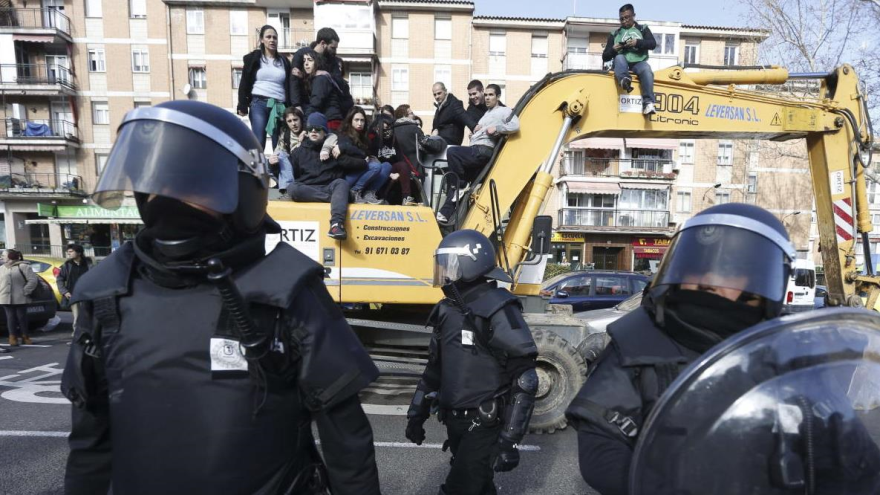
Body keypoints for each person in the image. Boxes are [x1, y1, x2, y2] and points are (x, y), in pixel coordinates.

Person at [60, 100, 381, 495]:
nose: (167, 199)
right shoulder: (105, 292)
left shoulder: (287, 288)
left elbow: (347, 441)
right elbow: (90, 442)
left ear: (243, 191)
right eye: (157, 184)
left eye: (190, 187)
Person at [565, 203, 797, 495]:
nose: (711, 282)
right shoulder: (639, 340)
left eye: (729, 272)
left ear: (759, 276)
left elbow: (838, 440)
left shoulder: (790, 349)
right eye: (702, 270)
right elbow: (601, 447)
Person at [405, 229, 538, 495]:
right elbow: (434, 370)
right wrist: (415, 416)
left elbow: (525, 379)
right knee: (480, 488)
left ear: (470, 264)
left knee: (460, 488)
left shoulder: (498, 307)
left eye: (449, 264)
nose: (443, 272)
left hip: (484, 422)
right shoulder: (447, 309)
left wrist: (509, 440)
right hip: (455, 420)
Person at [437, 84, 519, 224]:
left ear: (498, 96)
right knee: (456, 181)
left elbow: (515, 126)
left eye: (490, 95)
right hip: (476, 150)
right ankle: (444, 214)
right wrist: (475, 135)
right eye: (486, 95)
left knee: (452, 152)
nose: (487, 98)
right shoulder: (486, 114)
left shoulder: (504, 111)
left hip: (483, 151)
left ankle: (461, 186)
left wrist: (497, 128)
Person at [289, 112, 365, 240]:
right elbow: (294, 173)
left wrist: (343, 148)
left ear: (325, 132)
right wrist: (272, 164)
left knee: (341, 183)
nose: (313, 131)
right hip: (308, 188)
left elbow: (362, 159)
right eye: (310, 128)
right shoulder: (298, 151)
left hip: (329, 186)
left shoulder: (334, 149)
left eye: (318, 129)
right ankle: (338, 199)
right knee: (292, 187)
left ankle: (336, 225)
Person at [237, 25, 292, 151]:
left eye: (275, 37)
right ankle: (256, 171)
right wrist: (242, 104)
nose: (272, 40)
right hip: (259, 103)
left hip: (279, 106)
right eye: (268, 37)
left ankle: (278, 170)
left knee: (279, 144)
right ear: (262, 40)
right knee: (258, 142)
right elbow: (244, 82)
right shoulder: (254, 58)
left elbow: (289, 84)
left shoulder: (284, 61)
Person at [602, 4, 657, 115]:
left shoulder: (643, 29)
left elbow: (653, 44)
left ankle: (648, 103)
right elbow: (605, 56)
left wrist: (637, 42)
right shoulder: (614, 34)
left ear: (633, 16)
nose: (624, 21)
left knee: (646, 69)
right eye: (622, 19)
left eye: (627, 17)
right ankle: (624, 80)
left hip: (638, 63)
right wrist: (613, 49)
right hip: (622, 64)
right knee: (619, 57)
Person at [337, 106, 391, 204]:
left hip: (362, 172)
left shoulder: (364, 137)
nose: (360, 123)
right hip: (347, 176)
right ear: (350, 120)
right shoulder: (344, 136)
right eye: (356, 120)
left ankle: (368, 194)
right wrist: (363, 162)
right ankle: (354, 192)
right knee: (375, 166)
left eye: (362, 120)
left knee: (387, 166)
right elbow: (342, 161)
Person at [291, 27, 341, 111]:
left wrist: (325, 74)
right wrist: (297, 105)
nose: (335, 51)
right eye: (332, 48)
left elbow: (339, 81)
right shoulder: (301, 54)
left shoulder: (333, 60)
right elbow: (294, 81)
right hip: (305, 105)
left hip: (326, 107)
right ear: (323, 43)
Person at [0, 249, 38, 347]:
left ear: (10, 256)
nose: (2, 257)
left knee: (22, 318)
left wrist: (25, 291)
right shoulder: (2, 268)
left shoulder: (24, 266)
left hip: (20, 297)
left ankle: (25, 336)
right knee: (10, 318)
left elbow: (33, 280)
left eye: (4, 255)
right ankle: (12, 337)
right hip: (5, 297)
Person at [389, 104, 425, 206]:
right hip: (414, 170)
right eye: (411, 113)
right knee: (416, 202)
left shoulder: (392, 130)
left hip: (397, 172)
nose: (414, 115)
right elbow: (427, 145)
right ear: (405, 116)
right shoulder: (414, 129)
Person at [303, 49, 345, 130]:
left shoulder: (321, 79)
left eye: (310, 60)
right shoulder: (320, 77)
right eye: (304, 60)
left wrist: (305, 124)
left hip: (330, 121)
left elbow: (315, 103)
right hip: (329, 119)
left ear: (317, 62)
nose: (306, 63)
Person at [56, 243, 91, 338]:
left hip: (88, 294)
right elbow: (59, 279)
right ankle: (77, 335)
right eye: (68, 252)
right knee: (77, 316)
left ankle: (89, 334)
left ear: (79, 252)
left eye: (71, 252)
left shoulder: (89, 264)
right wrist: (65, 292)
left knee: (89, 315)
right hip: (73, 294)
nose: (69, 254)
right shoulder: (67, 265)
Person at [269, 106, 305, 194]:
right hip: (292, 167)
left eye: (295, 120)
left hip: (306, 167)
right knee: (272, 159)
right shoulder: (285, 136)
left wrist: (306, 134)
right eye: (289, 121)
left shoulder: (310, 131)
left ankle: (285, 186)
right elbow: (278, 153)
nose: (293, 124)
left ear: (301, 119)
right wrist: (272, 161)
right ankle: (286, 187)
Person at [431, 82, 477, 146]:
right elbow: (435, 125)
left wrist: (474, 126)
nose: (437, 96)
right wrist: (435, 130)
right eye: (435, 94)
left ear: (445, 91)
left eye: (439, 93)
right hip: (440, 140)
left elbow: (463, 114)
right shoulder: (439, 108)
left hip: (450, 141)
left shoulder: (453, 103)